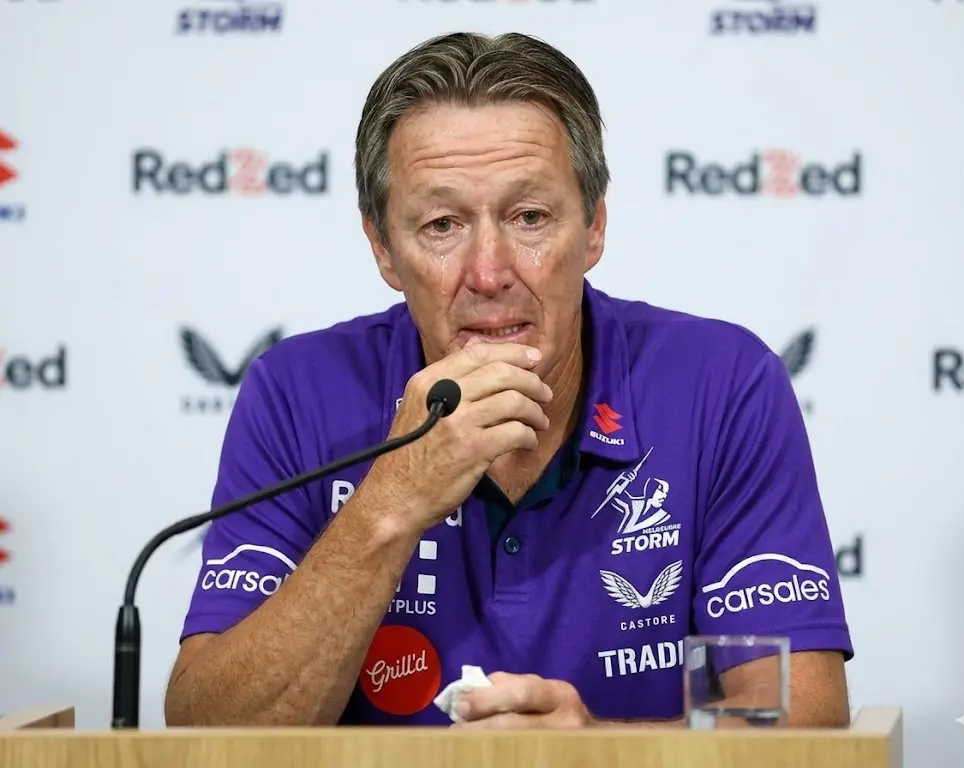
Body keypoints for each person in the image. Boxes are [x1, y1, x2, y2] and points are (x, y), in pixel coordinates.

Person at [164, 31, 853, 729]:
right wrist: (389, 506)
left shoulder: (720, 385)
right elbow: (207, 734)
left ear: (593, 227)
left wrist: (601, 754)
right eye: (442, 224)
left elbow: (795, 715)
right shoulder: (299, 394)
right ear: (383, 249)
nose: (489, 274)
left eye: (529, 217)